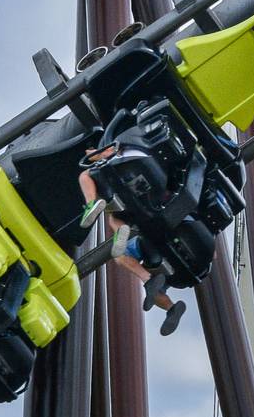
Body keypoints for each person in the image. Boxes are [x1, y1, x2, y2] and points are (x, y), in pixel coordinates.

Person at [78, 142, 190, 334]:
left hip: (137, 202)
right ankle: (170, 307)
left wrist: (93, 154)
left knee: (86, 177)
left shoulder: (118, 150)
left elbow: (98, 153)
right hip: (148, 228)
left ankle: (91, 205)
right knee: (127, 257)